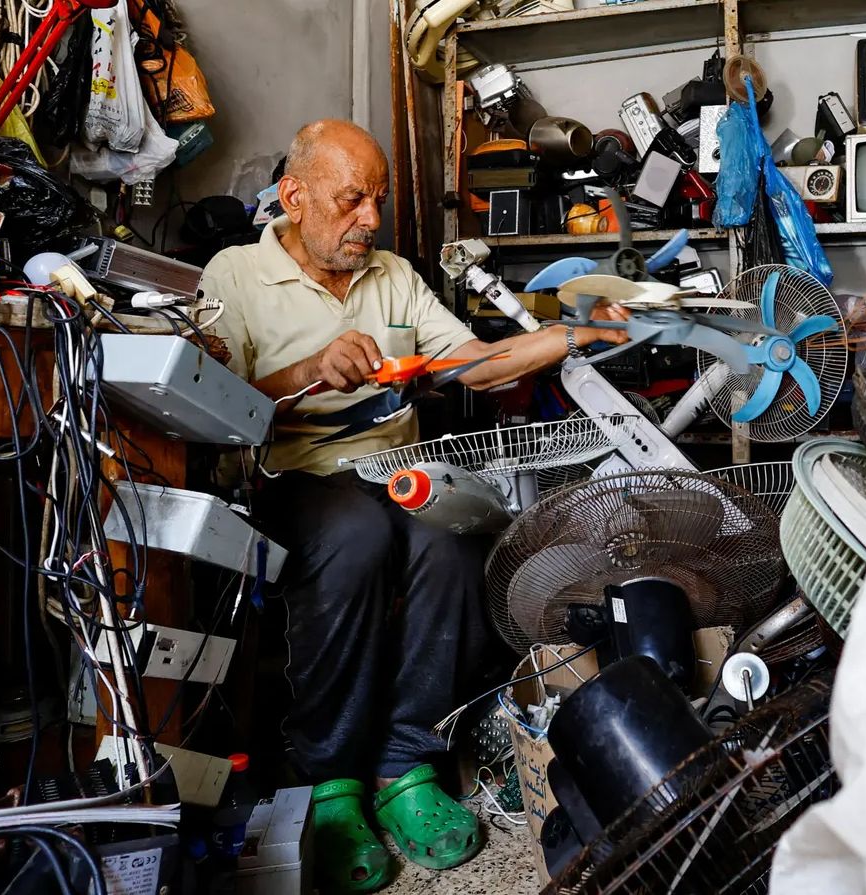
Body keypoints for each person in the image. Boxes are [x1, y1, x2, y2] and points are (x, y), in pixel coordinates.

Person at [198, 119, 628, 893]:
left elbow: (478, 363)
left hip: (401, 472)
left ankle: (406, 763)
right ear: (294, 198)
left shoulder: (393, 276)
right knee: (356, 532)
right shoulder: (235, 274)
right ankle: (330, 781)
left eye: (379, 199)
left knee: (458, 539)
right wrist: (308, 370)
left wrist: (578, 332)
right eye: (352, 199)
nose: (371, 218)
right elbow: (217, 406)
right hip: (298, 477)